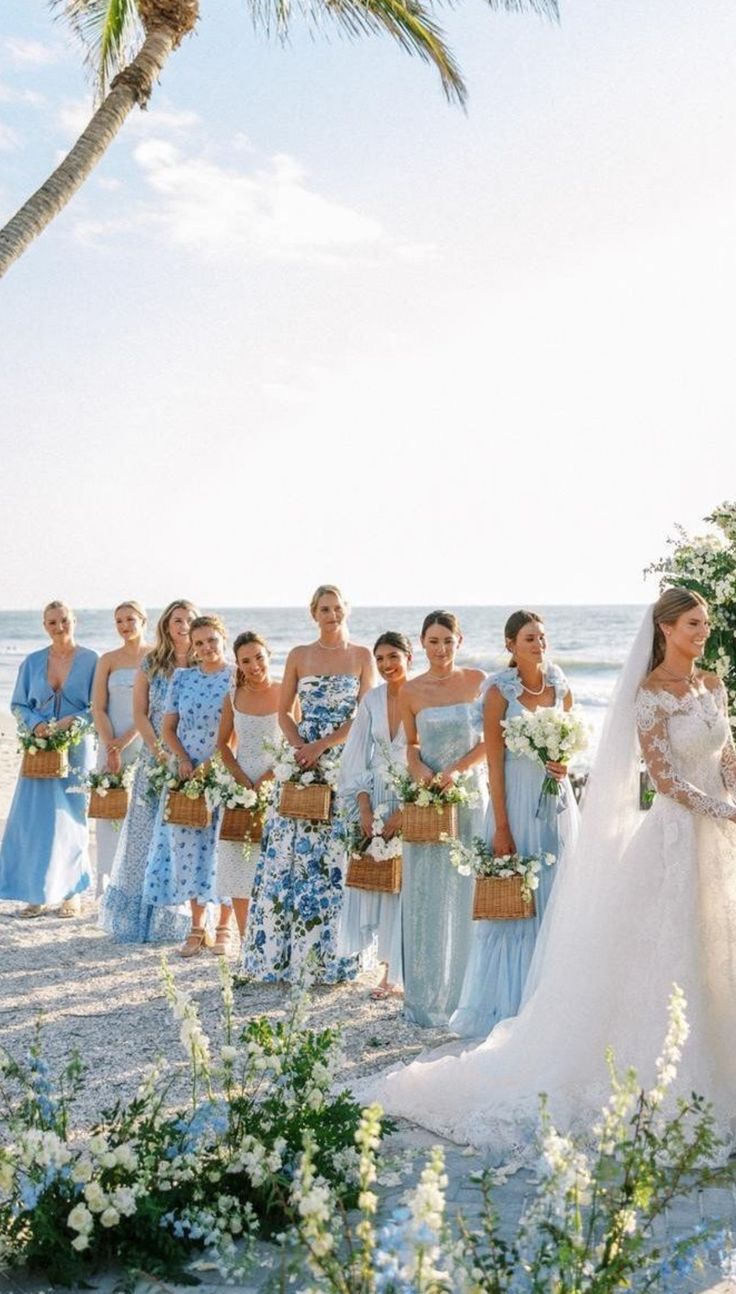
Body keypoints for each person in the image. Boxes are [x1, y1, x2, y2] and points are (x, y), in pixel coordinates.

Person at [360, 589, 736, 1154]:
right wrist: (724, 809)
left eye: (705, 623)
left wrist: (731, 800)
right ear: (664, 629)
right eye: (692, 624)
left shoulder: (713, 685)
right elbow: (662, 781)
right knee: (674, 947)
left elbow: (727, 757)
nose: (702, 632)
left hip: (720, 832)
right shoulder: (650, 694)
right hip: (678, 833)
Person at [450, 610, 579, 1037]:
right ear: (510, 645)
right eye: (529, 638)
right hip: (515, 804)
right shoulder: (498, 692)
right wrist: (501, 826)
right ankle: (510, 1006)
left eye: (542, 636)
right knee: (515, 903)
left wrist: (563, 763)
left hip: (556, 803)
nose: (538, 644)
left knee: (556, 892)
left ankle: (554, 1001)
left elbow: (570, 742)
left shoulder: (560, 686)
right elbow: (494, 764)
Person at [243, 584, 375, 984]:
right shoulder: (300, 655)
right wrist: (301, 747)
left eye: (336, 608)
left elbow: (363, 717)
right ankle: (282, 957)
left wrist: (322, 746)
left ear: (346, 610)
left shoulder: (362, 656)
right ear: (313, 614)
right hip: (301, 760)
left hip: (341, 758)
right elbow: (283, 712)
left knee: (334, 856)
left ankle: (332, 958)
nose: (331, 615)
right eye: (323, 609)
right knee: (289, 855)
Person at [399, 611, 487, 1027]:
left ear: (459, 641)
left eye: (447, 641)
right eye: (432, 642)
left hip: (468, 796)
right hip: (428, 800)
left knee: (467, 892)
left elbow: (492, 740)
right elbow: (411, 746)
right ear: (421, 644)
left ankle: (468, 995)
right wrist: (422, 774)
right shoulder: (409, 690)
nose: (440, 649)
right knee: (427, 894)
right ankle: (427, 998)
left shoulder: (476, 682)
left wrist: (457, 772)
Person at [99, 599, 198, 944]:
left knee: (186, 838)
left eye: (188, 620)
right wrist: (157, 751)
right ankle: (142, 918)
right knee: (145, 837)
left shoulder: (206, 663)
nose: (182, 625)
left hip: (192, 762)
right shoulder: (152, 663)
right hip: (154, 760)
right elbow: (140, 713)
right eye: (176, 620)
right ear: (166, 626)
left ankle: (187, 921)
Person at [142, 614, 233, 957]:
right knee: (188, 847)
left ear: (223, 639)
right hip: (186, 772)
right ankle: (197, 927)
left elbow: (241, 727)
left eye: (212, 640)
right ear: (192, 648)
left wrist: (213, 764)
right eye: (199, 643)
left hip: (225, 768)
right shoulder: (183, 678)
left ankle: (224, 926)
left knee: (223, 846)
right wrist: (181, 760)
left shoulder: (235, 677)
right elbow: (168, 728)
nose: (206, 648)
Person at [0, 601, 97, 917]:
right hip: (38, 748)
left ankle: (72, 892)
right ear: (45, 626)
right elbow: (18, 705)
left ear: (75, 620)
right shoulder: (31, 662)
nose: (59, 627)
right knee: (36, 820)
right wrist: (36, 725)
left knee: (73, 816)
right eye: (52, 622)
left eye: (64, 620)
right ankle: (37, 893)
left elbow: (98, 706)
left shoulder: (91, 660)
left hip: (77, 747)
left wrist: (75, 722)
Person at [338, 631, 413, 998]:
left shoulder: (422, 695)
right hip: (378, 795)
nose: (387, 665)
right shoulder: (372, 699)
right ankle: (387, 974)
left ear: (409, 657)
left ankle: (407, 973)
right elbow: (355, 757)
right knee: (384, 884)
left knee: (409, 884)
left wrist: (411, 806)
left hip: (413, 797)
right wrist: (364, 807)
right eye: (380, 659)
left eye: (393, 657)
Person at [215, 632, 281, 946]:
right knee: (238, 865)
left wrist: (270, 776)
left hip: (277, 783)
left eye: (259, 657)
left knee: (273, 865)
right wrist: (240, 778)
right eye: (245, 661)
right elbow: (223, 745)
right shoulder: (234, 696)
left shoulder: (286, 692)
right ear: (238, 665)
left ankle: (273, 941)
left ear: (269, 654)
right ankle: (247, 944)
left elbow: (296, 745)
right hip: (240, 787)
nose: (254, 666)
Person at [90, 601, 149, 893]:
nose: (124, 626)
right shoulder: (107, 659)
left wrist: (126, 739)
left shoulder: (154, 657)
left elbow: (153, 708)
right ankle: (105, 883)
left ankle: (134, 881)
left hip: (142, 740)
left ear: (143, 621)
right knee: (108, 809)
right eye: (119, 621)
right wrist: (110, 745)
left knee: (140, 810)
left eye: (130, 619)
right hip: (109, 740)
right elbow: (97, 706)